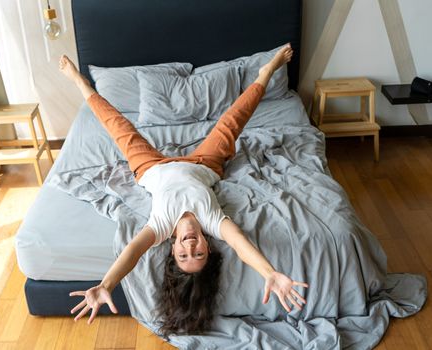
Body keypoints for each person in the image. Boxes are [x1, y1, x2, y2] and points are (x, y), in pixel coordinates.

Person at [59, 44, 308, 335]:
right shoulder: (212, 221)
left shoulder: (161, 227)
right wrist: (270, 273)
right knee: (233, 120)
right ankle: (266, 71)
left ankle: (80, 82)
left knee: (117, 126)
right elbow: (241, 245)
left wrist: (106, 285)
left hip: (150, 167)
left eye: (183, 255)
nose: (190, 247)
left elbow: (131, 253)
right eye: (198, 255)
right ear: (208, 247)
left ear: (173, 248)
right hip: (205, 164)